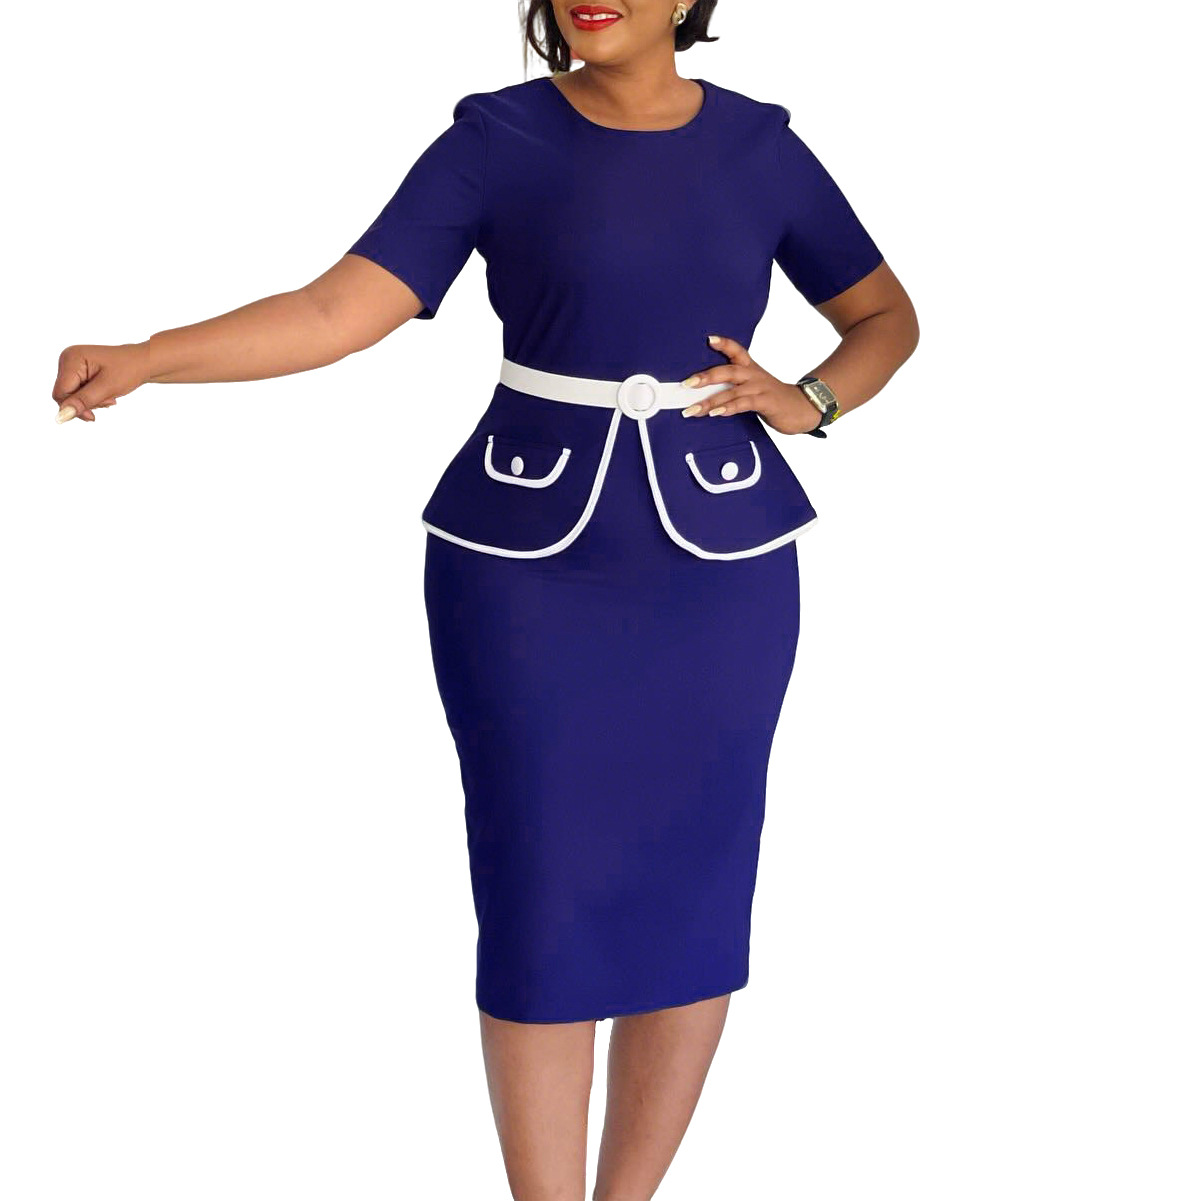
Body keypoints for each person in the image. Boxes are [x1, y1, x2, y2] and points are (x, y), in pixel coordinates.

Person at [50, 1, 919, 1196]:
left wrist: (810, 399)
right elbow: (337, 309)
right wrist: (153, 356)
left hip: (721, 578)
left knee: (694, 893)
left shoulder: (761, 147)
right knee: (541, 897)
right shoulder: (497, 138)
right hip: (523, 573)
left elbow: (885, 316)